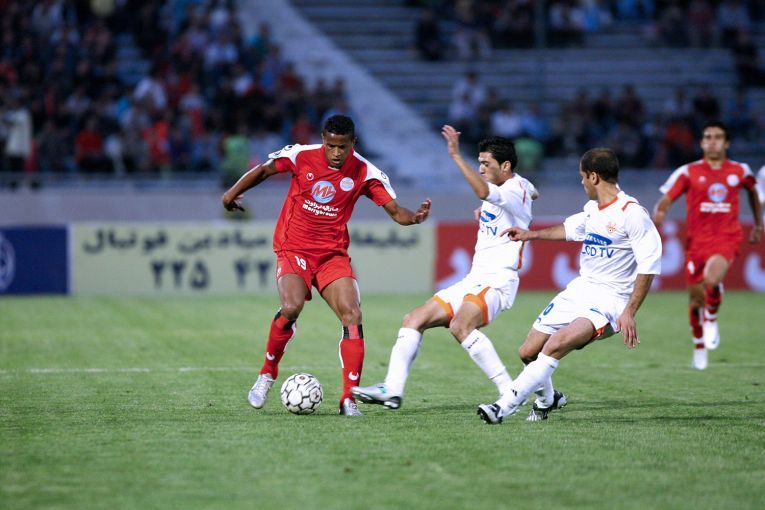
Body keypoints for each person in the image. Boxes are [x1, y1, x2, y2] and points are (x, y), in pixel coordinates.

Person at [222, 115, 432, 416]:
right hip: (293, 246)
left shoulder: (365, 172)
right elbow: (265, 169)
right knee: (291, 306)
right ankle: (267, 374)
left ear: (353, 143)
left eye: (342, 147)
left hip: (332, 255)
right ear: (323, 139)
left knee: (352, 314)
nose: (335, 153)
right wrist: (231, 194)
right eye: (330, 145)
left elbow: (396, 211)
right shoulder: (301, 155)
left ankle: (348, 399)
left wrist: (414, 218)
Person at [351, 125, 539, 410]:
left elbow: (486, 191)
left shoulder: (512, 189)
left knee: (460, 325)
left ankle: (509, 392)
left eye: (486, 164)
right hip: (475, 279)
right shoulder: (516, 187)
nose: (481, 168)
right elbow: (533, 193)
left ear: (506, 166)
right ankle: (392, 389)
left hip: (498, 281)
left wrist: (455, 155)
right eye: (479, 162)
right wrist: (502, 210)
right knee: (414, 319)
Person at [477, 148, 662, 424]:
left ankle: (502, 407)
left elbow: (649, 265)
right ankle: (548, 399)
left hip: (610, 301)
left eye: (582, 177)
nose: (582, 182)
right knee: (528, 352)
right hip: (580, 290)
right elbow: (567, 229)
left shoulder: (632, 213)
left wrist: (629, 311)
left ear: (594, 177)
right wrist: (530, 235)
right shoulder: (592, 209)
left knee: (556, 344)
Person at [653, 121, 763, 370]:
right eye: (708, 137)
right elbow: (666, 199)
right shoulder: (688, 172)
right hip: (696, 243)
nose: (712, 141)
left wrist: (758, 223)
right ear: (702, 143)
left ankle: (711, 317)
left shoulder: (740, 170)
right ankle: (699, 347)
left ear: (727, 143)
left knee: (712, 280)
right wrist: (659, 213)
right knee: (695, 300)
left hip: (727, 237)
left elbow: (753, 193)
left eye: (718, 137)